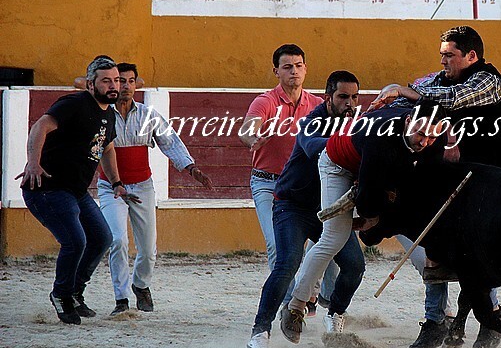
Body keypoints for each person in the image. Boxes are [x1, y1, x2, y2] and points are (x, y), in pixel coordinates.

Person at [369, 25, 501, 348]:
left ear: (471, 56)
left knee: (486, 250)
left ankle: (490, 315)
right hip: (472, 176)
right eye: (441, 54)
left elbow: (453, 99)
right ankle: (436, 320)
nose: (443, 60)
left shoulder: (489, 80)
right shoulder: (443, 79)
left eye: (449, 55)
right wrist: (395, 91)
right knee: (437, 238)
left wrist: (403, 91)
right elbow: (422, 87)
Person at [280, 102, 448, 343]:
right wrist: (372, 219)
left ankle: (443, 313)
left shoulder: (435, 140)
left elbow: (426, 181)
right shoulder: (380, 135)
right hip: (338, 165)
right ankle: (295, 307)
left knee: (418, 233)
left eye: (432, 137)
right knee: (334, 237)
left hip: (381, 174)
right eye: (420, 134)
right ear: (408, 121)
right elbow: (369, 196)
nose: (424, 142)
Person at [247, 71, 363, 348]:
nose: (349, 103)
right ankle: (259, 332)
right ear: (328, 98)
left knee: (355, 265)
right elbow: (314, 149)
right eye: (343, 97)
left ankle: (334, 314)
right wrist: (356, 144)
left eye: (354, 97)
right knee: (287, 264)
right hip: (293, 206)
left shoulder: (357, 126)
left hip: (330, 209)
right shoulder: (313, 121)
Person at [16, 56, 136, 324]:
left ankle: (74, 292)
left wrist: (116, 182)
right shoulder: (74, 104)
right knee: (75, 241)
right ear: (90, 84)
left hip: (75, 191)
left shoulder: (108, 113)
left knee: (102, 238)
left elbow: (106, 148)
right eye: (106, 81)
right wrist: (33, 163)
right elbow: (40, 126)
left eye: (116, 80)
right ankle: (61, 295)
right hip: (47, 187)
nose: (113, 86)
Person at [97, 62, 213, 316]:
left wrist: (191, 168)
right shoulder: (101, 115)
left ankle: (140, 285)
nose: (125, 86)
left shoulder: (148, 115)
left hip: (142, 186)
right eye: (120, 81)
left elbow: (171, 142)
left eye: (130, 81)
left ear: (136, 85)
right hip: (110, 187)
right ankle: (121, 298)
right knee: (117, 240)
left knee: (148, 250)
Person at [239, 44, 324, 271]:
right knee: (278, 246)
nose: (294, 71)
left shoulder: (317, 105)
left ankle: (310, 291)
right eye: (287, 67)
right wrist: (253, 139)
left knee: (326, 244)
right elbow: (246, 130)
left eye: (298, 66)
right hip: (268, 183)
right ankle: (286, 294)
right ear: (276, 71)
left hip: (306, 186)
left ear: (305, 68)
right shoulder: (265, 101)